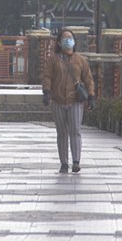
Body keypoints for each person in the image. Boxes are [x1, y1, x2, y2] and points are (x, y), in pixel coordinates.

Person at [41, 29, 95, 173]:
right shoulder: (53, 60)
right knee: (62, 133)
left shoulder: (80, 60)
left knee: (75, 131)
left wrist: (91, 96)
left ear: (74, 41)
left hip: (75, 101)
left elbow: (88, 79)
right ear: (59, 42)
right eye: (64, 38)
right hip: (58, 100)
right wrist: (46, 91)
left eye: (70, 38)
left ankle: (76, 161)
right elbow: (47, 76)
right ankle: (64, 163)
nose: (67, 40)